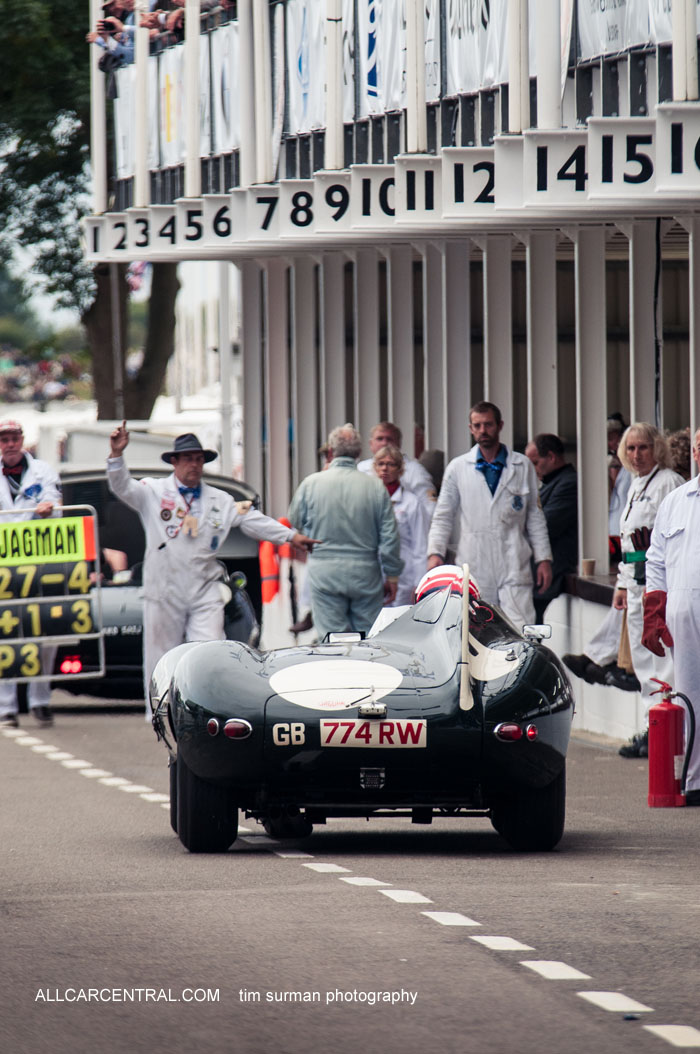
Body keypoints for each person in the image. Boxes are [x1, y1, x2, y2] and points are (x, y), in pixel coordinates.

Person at [107, 424, 318, 704]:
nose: (194, 464)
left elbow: (254, 521)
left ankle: (205, 706)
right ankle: (159, 712)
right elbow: (121, 486)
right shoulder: (152, 491)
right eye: (188, 459)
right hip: (163, 587)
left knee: (209, 650)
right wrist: (116, 454)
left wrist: (291, 536)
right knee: (160, 654)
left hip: (204, 586)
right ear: (174, 462)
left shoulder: (220, 499)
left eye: (198, 459)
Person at [426, 401, 552, 628]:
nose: (483, 430)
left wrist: (543, 558)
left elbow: (535, 515)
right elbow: (443, 514)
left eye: (488, 424)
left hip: (513, 559)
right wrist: (435, 552)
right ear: (471, 429)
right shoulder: (458, 468)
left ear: (500, 425)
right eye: (477, 425)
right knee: (476, 628)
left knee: (520, 627)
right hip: (474, 559)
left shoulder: (522, 466)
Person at [609, 423, 684, 757]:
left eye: (643, 447)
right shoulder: (635, 485)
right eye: (630, 448)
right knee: (643, 662)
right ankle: (651, 726)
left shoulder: (668, 482)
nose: (636, 455)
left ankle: (668, 730)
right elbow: (629, 542)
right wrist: (622, 584)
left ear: (657, 449)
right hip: (636, 579)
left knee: (662, 660)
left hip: (659, 582)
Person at [288, 423, 403, 641]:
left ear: (330, 452)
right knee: (369, 639)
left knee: (331, 639)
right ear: (359, 452)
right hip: (365, 572)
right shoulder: (376, 487)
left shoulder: (311, 483)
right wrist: (392, 575)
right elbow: (390, 537)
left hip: (324, 570)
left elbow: (295, 519)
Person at [643, 426, 700, 804]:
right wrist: (653, 612)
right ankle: (695, 781)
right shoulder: (677, 501)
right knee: (690, 695)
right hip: (685, 608)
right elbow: (656, 560)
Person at [0, 419, 62, 728]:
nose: (10, 444)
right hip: (3, 568)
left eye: (14, 438)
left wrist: (50, 508)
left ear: (22, 439)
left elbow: (55, 502)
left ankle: (40, 700)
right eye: (4, 439)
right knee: (6, 635)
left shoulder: (43, 471)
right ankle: (7, 707)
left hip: (39, 563)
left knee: (45, 633)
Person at [524, 433, 578, 622]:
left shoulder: (568, 483)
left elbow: (546, 526)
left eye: (535, 463)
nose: (531, 470)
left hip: (552, 572)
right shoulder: (551, 484)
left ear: (552, 457)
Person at [373, 444, 429, 605]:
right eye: (381, 464)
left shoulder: (411, 503)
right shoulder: (368, 500)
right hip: (373, 575)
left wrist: (418, 584)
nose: (385, 469)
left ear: (400, 469)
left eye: (391, 464)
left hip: (404, 575)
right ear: (375, 468)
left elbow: (420, 546)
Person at [357, 422, 437, 516]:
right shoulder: (360, 468)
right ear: (371, 444)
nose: (384, 443)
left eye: (389, 439)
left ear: (399, 443)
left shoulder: (415, 470)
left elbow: (430, 506)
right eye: (380, 439)